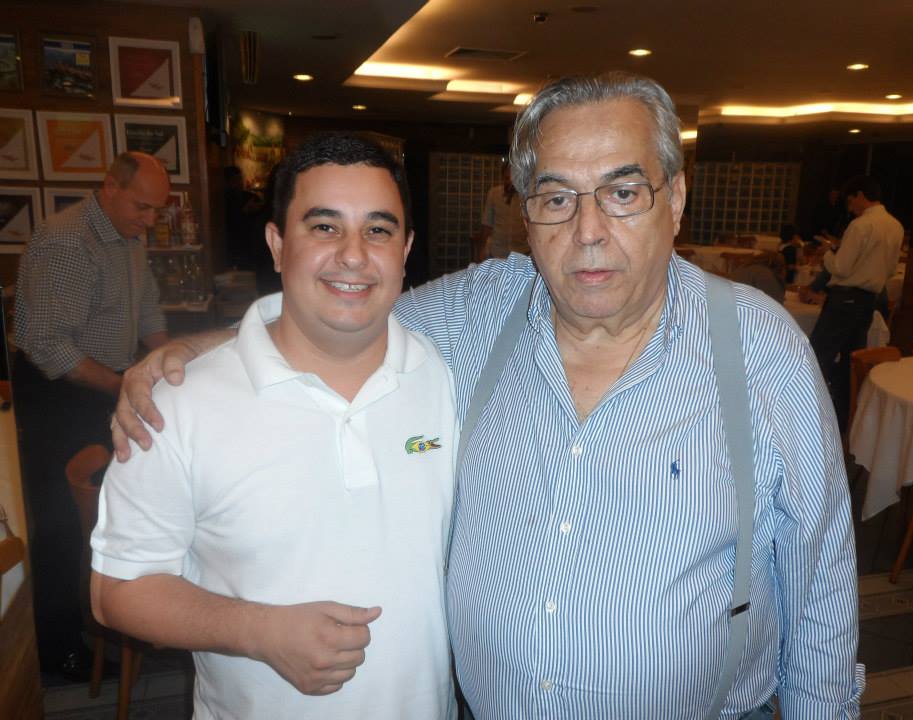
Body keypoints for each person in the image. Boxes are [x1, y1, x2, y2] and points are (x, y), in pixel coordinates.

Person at [113, 73, 862, 718]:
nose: (589, 230)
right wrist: (201, 349)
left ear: (676, 199)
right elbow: (342, 304)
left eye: (623, 192)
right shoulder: (474, 316)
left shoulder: (759, 349)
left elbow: (820, 586)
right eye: (556, 197)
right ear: (525, 214)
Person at [90, 134, 457, 719]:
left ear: (406, 248)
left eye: (378, 230)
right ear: (277, 244)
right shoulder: (179, 403)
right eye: (325, 227)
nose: (354, 255)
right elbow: (118, 591)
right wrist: (259, 631)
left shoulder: (447, 375)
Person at [13, 151, 171, 679]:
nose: (150, 219)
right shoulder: (66, 240)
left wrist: (175, 363)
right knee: (60, 521)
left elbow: (147, 310)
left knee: (108, 511)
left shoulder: (129, 235)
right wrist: (125, 385)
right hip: (56, 392)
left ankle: (111, 618)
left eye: (157, 210)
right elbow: (45, 343)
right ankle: (57, 647)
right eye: (143, 207)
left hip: (102, 384)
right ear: (110, 187)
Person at [809, 175, 903, 431]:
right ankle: (843, 423)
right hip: (867, 301)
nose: (850, 208)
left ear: (860, 195)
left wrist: (828, 253)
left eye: (850, 202)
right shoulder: (895, 226)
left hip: (844, 299)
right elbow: (891, 269)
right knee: (850, 364)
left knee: (817, 356)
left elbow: (841, 267)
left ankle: (808, 418)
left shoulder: (861, 225)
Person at [475, 161, 527, 259]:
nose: (510, 182)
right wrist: (481, 250)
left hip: (521, 253)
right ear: (502, 177)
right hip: (497, 252)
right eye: (507, 178)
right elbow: (486, 224)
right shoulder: (494, 194)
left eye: (514, 178)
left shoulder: (525, 196)